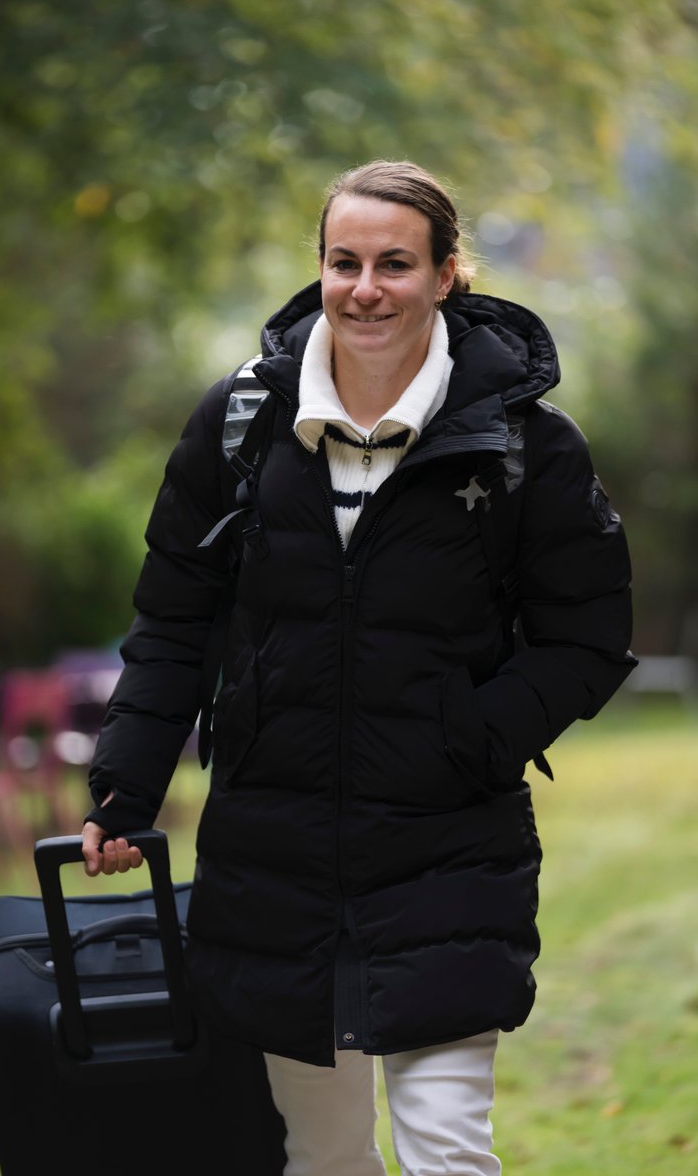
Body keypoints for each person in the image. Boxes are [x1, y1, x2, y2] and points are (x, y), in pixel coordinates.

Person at [81, 160, 635, 1175]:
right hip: (272, 853)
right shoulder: (239, 425)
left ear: (443, 275)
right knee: (325, 1157)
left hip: (446, 848)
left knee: (446, 1152)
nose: (364, 288)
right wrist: (124, 787)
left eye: (393, 262)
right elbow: (172, 620)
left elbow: (587, 638)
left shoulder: (520, 445)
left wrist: (470, 738)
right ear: (320, 270)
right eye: (343, 262)